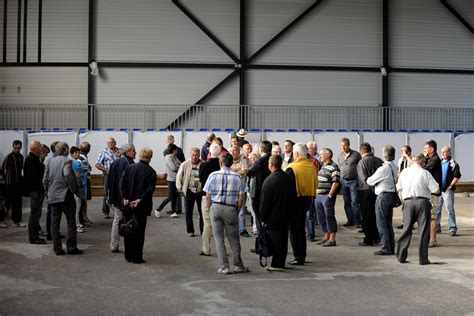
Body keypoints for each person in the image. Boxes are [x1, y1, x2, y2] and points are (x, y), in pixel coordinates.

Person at [204, 154, 249, 275]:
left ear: (221, 162)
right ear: (231, 163)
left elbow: (207, 196)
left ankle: (224, 267)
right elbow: (241, 197)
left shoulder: (213, 175)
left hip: (216, 207)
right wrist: (237, 209)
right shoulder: (237, 177)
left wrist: (211, 208)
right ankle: (238, 265)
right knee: (234, 240)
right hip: (231, 209)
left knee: (219, 240)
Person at [396, 153, 439, 265]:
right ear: (423, 162)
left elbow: (398, 188)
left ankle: (401, 256)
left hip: (408, 202)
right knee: (424, 231)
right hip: (423, 203)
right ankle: (423, 259)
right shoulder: (425, 173)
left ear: (413, 161)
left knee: (406, 229)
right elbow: (436, 189)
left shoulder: (404, 172)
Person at [43, 142, 83, 256]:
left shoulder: (50, 162)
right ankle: (71, 248)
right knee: (71, 222)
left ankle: (57, 248)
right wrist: (74, 189)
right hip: (65, 195)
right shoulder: (66, 161)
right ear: (65, 151)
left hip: (53, 195)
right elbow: (68, 176)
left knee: (54, 223)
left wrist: (47, 191)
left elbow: (45, 179)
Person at [120, 147, 157, 264]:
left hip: (127, 204)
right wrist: (139, 199)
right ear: (150, 157)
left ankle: (128, 255)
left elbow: (122, 184)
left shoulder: (129, 167)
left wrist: (125, 197)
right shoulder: (151, 172)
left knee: (128, 228)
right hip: (141, 206)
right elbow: (149, 189)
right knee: (139, 232)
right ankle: (137, 257)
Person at [260, 155, 297, 271]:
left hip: (272, 217)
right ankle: (280, 262)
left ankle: (276, 264)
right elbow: (293, 197)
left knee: (275, 241)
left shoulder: (269, 181)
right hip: (286, 215)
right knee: (283, 239)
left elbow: (264, 202)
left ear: (271, 165)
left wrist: (263, 218)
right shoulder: (288, 179)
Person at [286, 143, 318, 264]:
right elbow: (316, 183)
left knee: (294, 231)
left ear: (296, 154)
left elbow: (287, 188)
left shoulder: (292, 167)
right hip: (307, 201)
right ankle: (302, 255)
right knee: (301, 229)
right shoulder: (311, 166)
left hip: (294, 202)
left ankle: (298, 257)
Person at [367, 145, 398, 255]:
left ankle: (386, 247)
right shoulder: (395, 166)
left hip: (383, 195)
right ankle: (391, 246)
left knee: (381, 223)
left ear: (384, 155)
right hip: (391, 195)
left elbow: (370, 181)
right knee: (388, 222)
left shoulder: (383, 168)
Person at [108, 144, 136, 253]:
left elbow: (110, 180)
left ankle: (114, 245)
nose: (135, 152)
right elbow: (129, 183)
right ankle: (126, 246)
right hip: (124, 198)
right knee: (126, 221)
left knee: (117, 220)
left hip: (115, 196)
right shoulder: (129, 163)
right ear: (128, 152)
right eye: (133, 151)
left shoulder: (115, 162)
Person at [356, 142, 383, 246]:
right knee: (375, 214)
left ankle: (368, 239)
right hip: (378, 190)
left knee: (366, 216)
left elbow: (363, 179)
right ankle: (377, 236)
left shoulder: (361, 162)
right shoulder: (379, 160)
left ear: (361, 151)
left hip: (365, 191)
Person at [198, 143, 221, 256]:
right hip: (219, 197)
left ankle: (206, 248)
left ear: (209, 153)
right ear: (220, 153)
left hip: (206, 196)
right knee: (221, 224)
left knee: (207, 224)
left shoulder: (203, 166)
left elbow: (201, 179)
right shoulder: (221, 166)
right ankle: (223, 249)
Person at [315, 148, 340, 247]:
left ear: (328, 155)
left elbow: (336, 182)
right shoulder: (323, 166)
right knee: (321, 217)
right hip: (319, 195)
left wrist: (330, 195)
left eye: (321, 154)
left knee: (329, 216)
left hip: (326, 195)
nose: (320, 156)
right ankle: (326, 236)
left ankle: (332, 239)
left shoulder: (334, 167)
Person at [175, 147, 204, 237]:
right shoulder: (185, 164)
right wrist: (181, 189)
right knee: (188, 212)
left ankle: (203, 231)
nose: (194, 157)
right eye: (193, 155)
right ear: (190, 155)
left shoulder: (203, 164)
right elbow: (179, 177)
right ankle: (190, 230)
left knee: (202, 212)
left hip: (200, 190)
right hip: (189, 190)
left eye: (196, 155)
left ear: (199, 155)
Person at [247, 141, 272, 235]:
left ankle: (262, 244)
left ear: (261, 149)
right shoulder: (273, 158)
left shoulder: (261, 160)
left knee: (258, 218)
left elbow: (250, 173)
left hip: (258, 192)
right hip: (268, 192)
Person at [24, 141, 46, 244]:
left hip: (35, 190)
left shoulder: (32, 158)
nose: (42, 149)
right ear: (35, 149)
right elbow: (36, 176)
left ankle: (35, 234)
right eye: (40, 147)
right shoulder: (32, 159)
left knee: (36, 214)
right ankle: (33, 237)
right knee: (34, 214)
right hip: (36, 190)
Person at [436, 146, 461, 237]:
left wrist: (450, 186)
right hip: (439, 190)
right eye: (442, 152)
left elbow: (457, 176)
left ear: (449, 153)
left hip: (447, 190)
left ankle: (452, 228)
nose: (442, 153)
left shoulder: (453, 163)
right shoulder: (439, 162)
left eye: (445, 152)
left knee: (449, 209)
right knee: (437, 210)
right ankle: (437, 227)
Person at [0, 140, 25, 228]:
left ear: (21, 148)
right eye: (15, 148)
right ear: (13, 147)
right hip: (10, 183)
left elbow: (21, 169)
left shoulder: (21, 157)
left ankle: (17, 221)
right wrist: (6, 179)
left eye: (18, 148)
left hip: (18, 184)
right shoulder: (9, 157)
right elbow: (3, 169)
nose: (17, 150)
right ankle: (1, 220)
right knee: (7, 203)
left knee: (18, 203)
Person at [338, 138, 362, 227]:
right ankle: (350, 220)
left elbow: (360, 167)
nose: (343, 147)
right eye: (342, 145)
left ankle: (358, 221)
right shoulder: (340, 156)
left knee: (355, 201)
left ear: (348, 145)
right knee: (346, 202)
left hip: (353, 181)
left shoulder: (356, 155)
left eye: (345, 145)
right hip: (343, 181)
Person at [423, 139, 442, 248]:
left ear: (432, 149)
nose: (424, 150)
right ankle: (429, 237)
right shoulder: (430, 159)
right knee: (428, 216)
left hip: (434, 192)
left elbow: (424, 169)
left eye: (426, 148)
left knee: (432, 217)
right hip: (428, 192)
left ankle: (433, 240)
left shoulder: (435, 159)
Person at [156, 144, 182, 218]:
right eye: (176, 150)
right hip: (171, 180)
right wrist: (179, 167)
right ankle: (158, 209)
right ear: (173, 150)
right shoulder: (168, 158)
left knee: (175, 196)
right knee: (170, 197)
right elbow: (173, 168)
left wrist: (178, 166)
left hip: (176, 180)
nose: (177, 151)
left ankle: (174, 212)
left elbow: (181, 164)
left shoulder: (175, 157)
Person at [95, 137, 119, 219]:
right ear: (107, 144)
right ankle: (105, 211)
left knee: (117, 192)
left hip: (118, 175)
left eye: (112, 142)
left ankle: (116, 211)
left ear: (115, 143)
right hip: (108, 175)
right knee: (106, 193)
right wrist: (106, 170)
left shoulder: (119, 152)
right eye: (109, 143)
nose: (111, 144)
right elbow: (97, 164)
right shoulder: (103, 152)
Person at [229, 145, 249, 237]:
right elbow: (227, 171)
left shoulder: (243, 159)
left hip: (241, 189)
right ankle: (231, 228)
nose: (232, 152)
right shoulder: (228, 160)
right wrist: (238, 170)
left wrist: (233, 171)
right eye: (231, 151)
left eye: (234, 151)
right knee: (230, 209)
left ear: (238, 151)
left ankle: (242, 229)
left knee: (241, 211)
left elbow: (244, 171)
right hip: (230, 189)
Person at [70, 147, 87, 234]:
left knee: (78, 206)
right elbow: (78, 173)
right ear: (71, 153)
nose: (77, 154)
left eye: (78, 152)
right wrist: (84, 170)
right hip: (75, 187)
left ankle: (77, 222)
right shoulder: (74, 162)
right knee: (76, 207)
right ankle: (76, 224)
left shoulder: (77, 162)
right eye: (75, 152)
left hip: (79, 186)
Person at [306, 141, 321, 242]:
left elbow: (316, 176)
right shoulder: (298, 161)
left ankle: (311, 234)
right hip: (301, 190)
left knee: (309, 214)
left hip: (310, 190)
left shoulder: (314, 161)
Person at [396, 145, 413, 229]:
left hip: (409, 185)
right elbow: (399, 170)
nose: (403, 153)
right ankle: (404, 222)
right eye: (402, 151)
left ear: (409, 152)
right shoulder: (400, 160)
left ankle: (410, 223)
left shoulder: (412, 159)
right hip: (402, 185)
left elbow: (413, 164)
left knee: (409, 205)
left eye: (405, 151)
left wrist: (406, 156)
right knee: (404, 205)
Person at [78, 142, 92, 225]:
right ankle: (82, 219)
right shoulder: (82, 158)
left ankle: (84, 217)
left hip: (83, 180)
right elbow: (88, 169)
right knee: (83, 200)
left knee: (83, 200)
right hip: (83, 181)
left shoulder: (82, 157)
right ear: (89, 149)